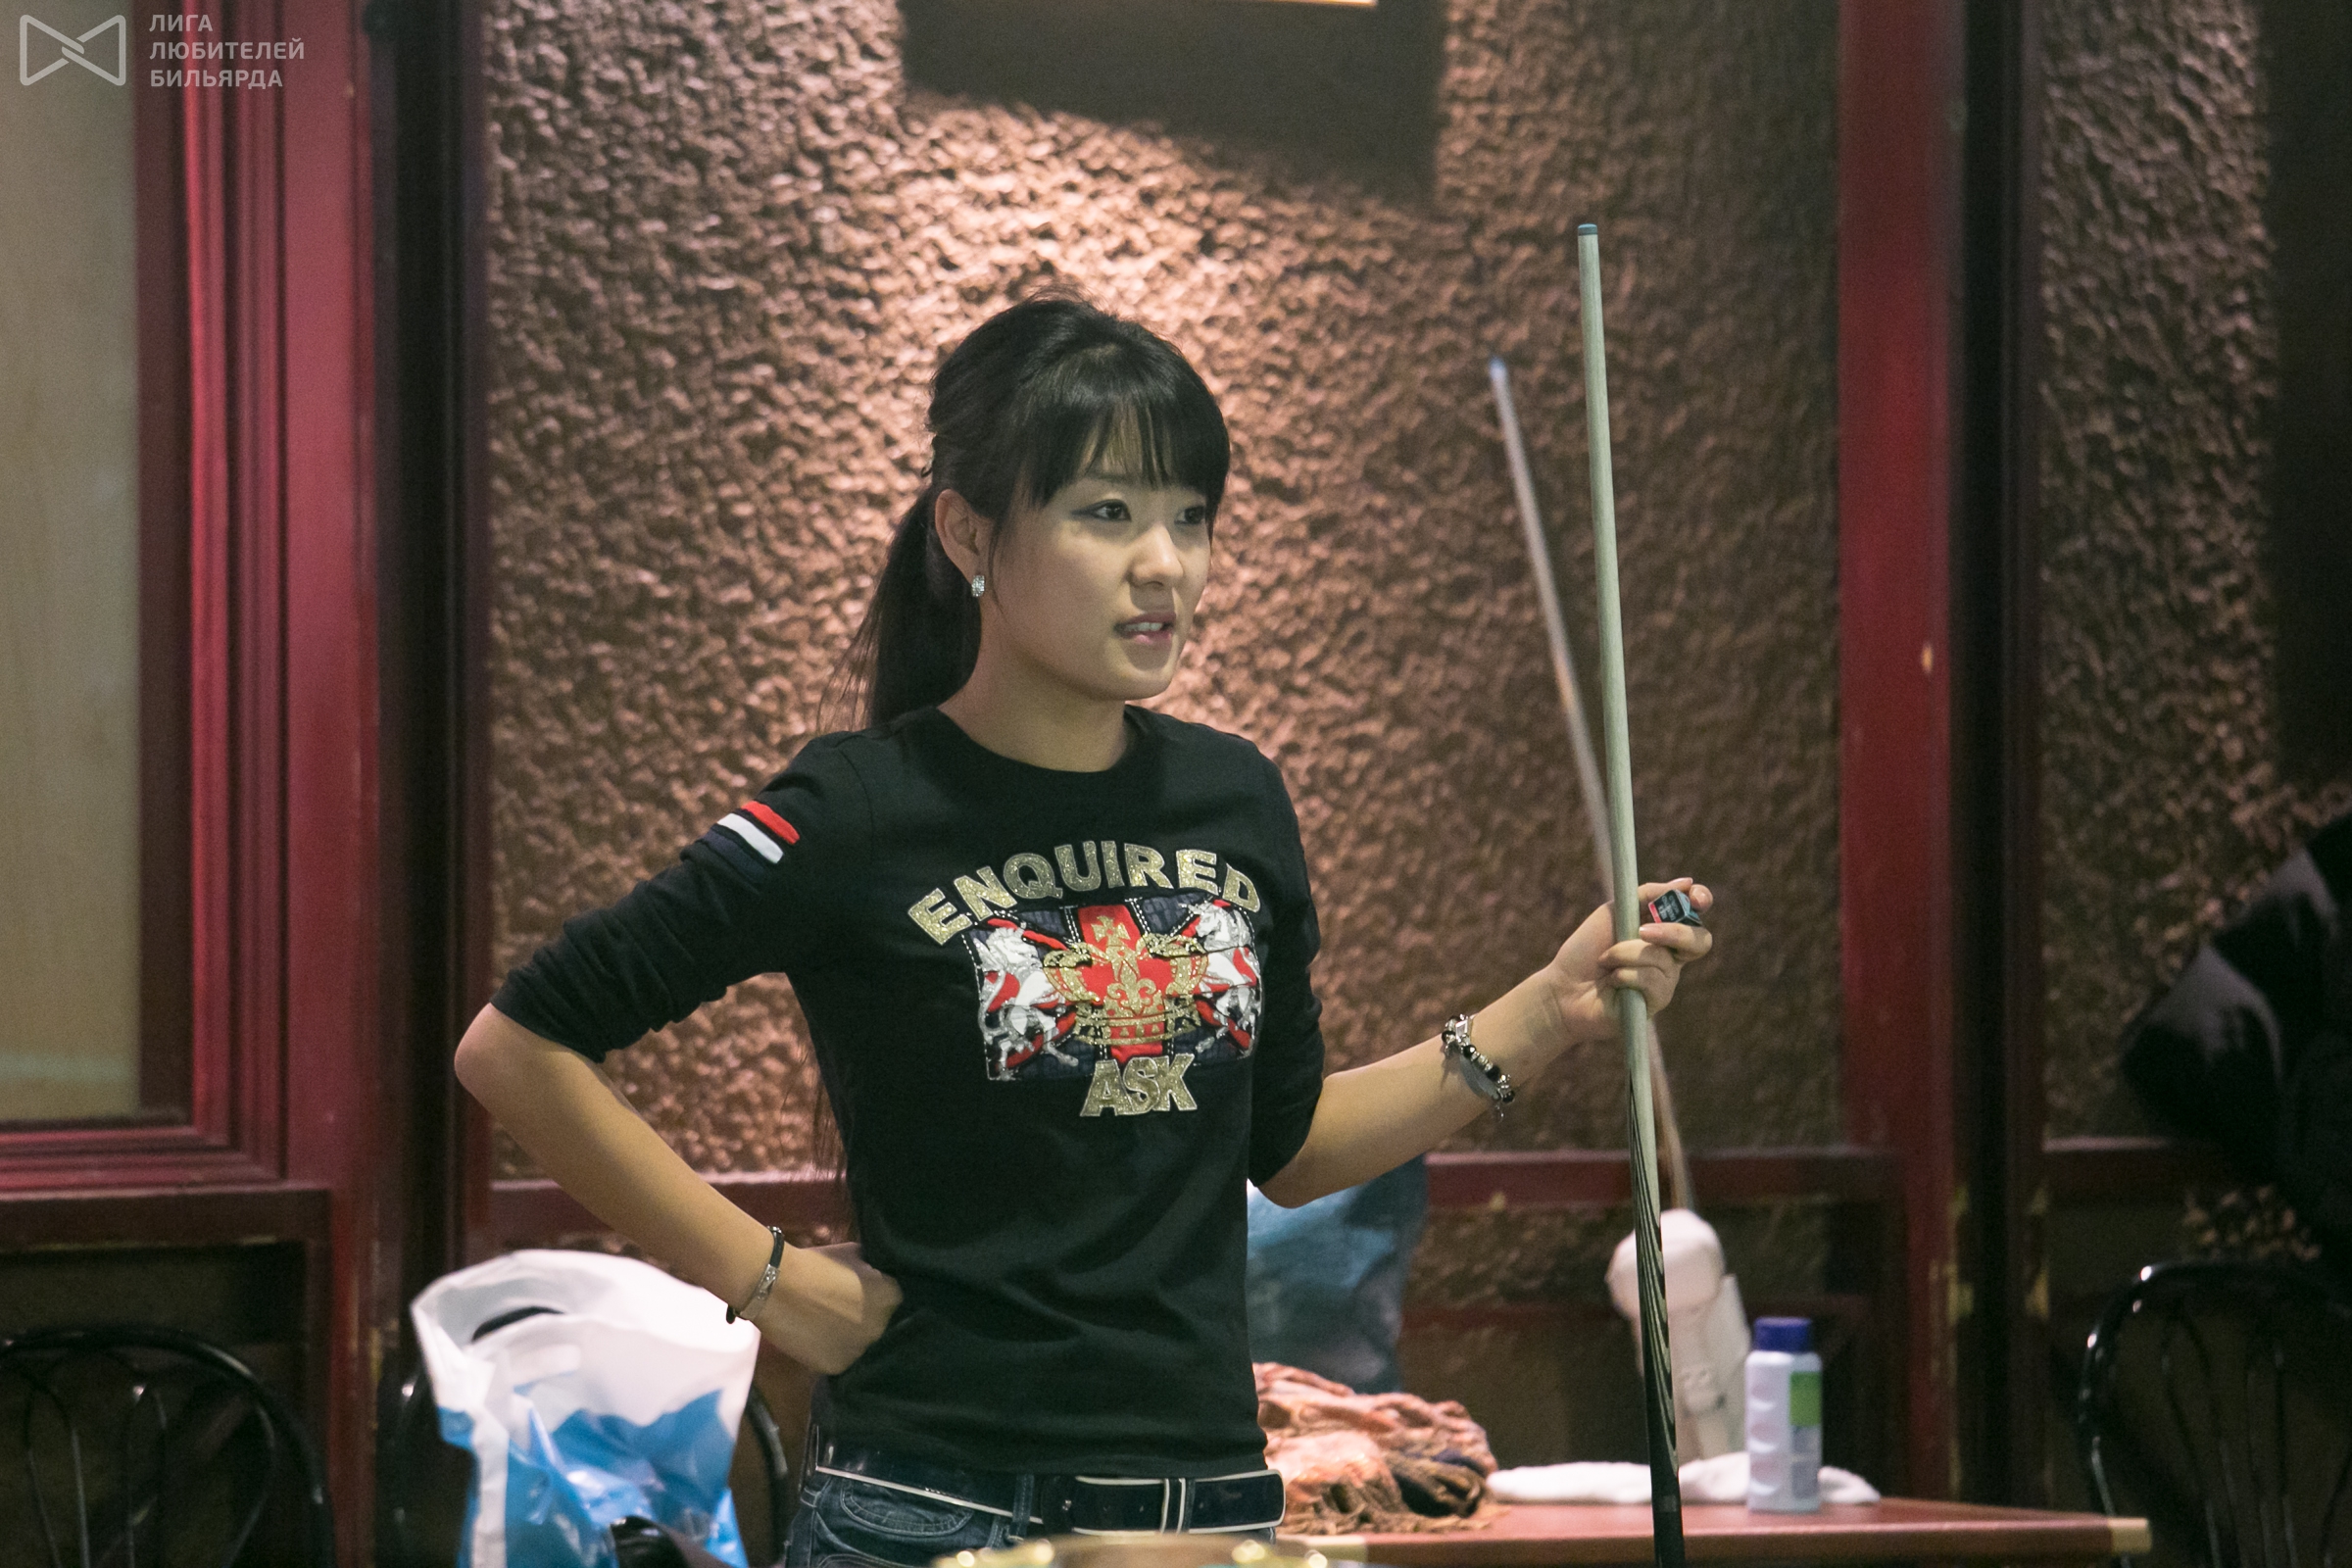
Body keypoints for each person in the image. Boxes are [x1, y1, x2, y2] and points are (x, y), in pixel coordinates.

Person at [454, 293, 1714, 1565]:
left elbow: (1288, 1148)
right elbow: (519, 1046)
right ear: (970, 532)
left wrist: (1548, 1009)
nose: (1164, 563)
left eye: (1190, 517)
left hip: (1204, 1514)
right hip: (928, 1513)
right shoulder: (856, 808)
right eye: (1108, 513)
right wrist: (772, 1282)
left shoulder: (1235, 796)